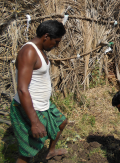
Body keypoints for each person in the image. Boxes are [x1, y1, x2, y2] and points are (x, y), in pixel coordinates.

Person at [10, 20, 68, 163]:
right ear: (46, 36)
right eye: (56, 41)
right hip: (30, 106)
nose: (56, 45)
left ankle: (51, 151)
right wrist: (35, 122)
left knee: (61, 122)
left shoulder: (40, 50)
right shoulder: (29, 52)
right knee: (28, 152)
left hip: (43, 104)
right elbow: (22, 89)